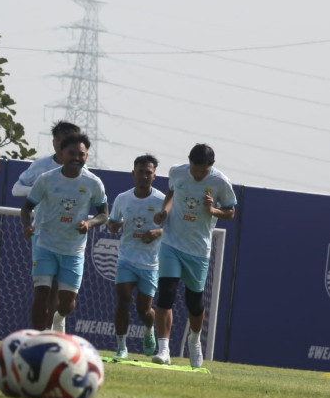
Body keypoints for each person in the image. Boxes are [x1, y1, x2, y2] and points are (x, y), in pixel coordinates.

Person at [150, 144, 236, 368]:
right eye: (194, 169)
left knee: (194, 303)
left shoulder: (220, 182)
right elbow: (171, 191)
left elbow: (231, 211)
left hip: (198, 249)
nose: (197, 174)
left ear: (211, 166)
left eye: (202, 171)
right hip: (171, 242)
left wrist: (213, 211)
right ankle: (164, 349)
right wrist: (164, 211)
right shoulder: (177, 172)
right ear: (189, 162)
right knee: (166, 293)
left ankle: (194, 341)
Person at [19, 133, 109, 331]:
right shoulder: (46, 179)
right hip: (45, 244)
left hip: (73, 250)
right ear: (61, 153)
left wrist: (90, 223)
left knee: (67, 303)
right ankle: (38, 338)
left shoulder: (93, 183)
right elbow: (26, 208)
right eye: (71, 153)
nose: (76, 157)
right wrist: (27, 226)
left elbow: (104, 214)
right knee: (41, 293)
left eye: (81, 154)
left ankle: (59, 319)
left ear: (86, 155)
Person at [11, 120, 81, 328]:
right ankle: (44, 333)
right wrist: (40, 190)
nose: (66, 147)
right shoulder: (41, 167)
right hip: (42, 233)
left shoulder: (84, 174)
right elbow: (16, 189)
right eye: (62, 142)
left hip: (70, 238)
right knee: (45, 287)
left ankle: (58, 318)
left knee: (65, 297)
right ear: (55, 143)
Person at [107, 154, 164, 359]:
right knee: (123, 299)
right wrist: (113, 226)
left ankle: (149, 329)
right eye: (140, 172)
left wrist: (158, 232)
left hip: (150, 262)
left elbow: (174, 228)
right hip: (126, 259)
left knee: (144, 309)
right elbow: (112, 224)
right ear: (133, 174)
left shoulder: (161, 200)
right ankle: (122, 347)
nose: (144, 176)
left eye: (148, 173)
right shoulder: (123, 198)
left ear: (154, 176)